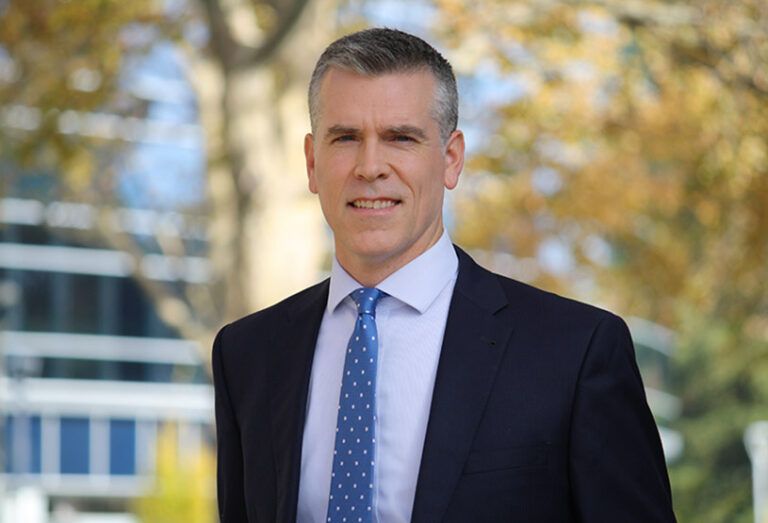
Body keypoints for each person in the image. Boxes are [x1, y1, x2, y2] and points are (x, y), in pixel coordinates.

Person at [212, 28, 676, 522]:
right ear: (311, 162)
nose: (371, 166)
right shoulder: (248, 356)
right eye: (346, 138)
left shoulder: (575, 352)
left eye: (400, 138)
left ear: (451, 159)